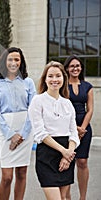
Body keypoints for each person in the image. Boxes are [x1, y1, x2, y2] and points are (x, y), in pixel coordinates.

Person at [28, 61, 80, 200]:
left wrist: (68, 155)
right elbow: (40, 133)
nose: (54, 80)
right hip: (47, 154)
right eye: (50, 76)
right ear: (45, 79)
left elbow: (73, 132)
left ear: (64, 78)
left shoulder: (67, 103)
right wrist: (64, 152)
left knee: (63, 198)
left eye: (58, 76)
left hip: (67, 154)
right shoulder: (37, 101)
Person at [0, 47, 36, 200]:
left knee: (22, 173)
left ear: (21, 62)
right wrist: (11, 135)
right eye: (10, 59)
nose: (13, 62)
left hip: (26, 129)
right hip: (6, 130)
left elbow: (33, 109)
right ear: (5, 61)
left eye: (17, 59)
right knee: (7, 176)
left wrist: (23, 134)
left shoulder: (28, 82)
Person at [63, 55, 93, 200]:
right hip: (66, 126)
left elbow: (90, 109)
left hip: (84, 128)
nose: (75, 68)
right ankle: (67, 196)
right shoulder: (63, 85)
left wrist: (82, 128)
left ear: (81, 68)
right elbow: (62, 109)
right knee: (67, 161)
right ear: (67, 68)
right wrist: (74, 128)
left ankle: (82, 197)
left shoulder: (87, 86)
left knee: (82, 162)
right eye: (72, 66)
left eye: (78, 66)